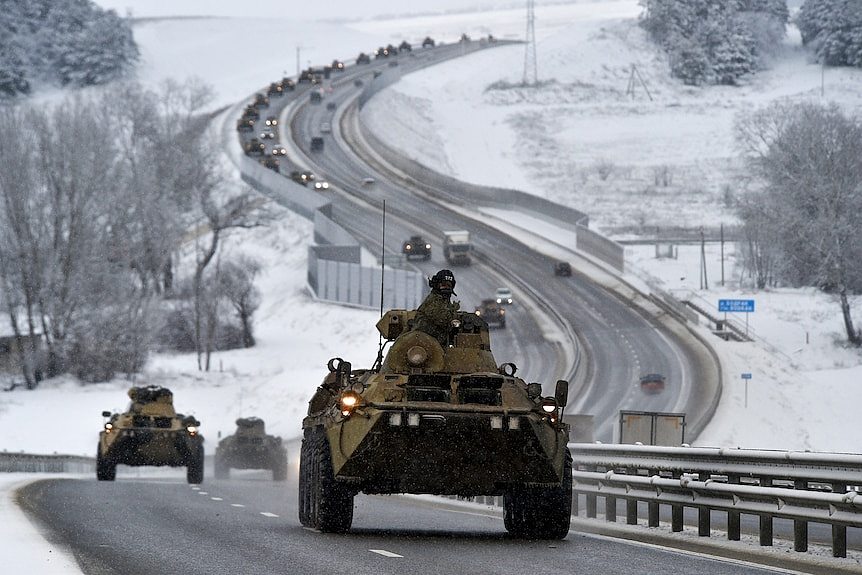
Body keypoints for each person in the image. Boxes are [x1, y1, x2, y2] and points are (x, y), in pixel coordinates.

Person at [412, 269, 460, 347]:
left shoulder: (444, 301)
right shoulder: (434, 300)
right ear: (437, 285)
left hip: (434, 343)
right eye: (443, 284)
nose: (446, 288)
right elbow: (443, 319)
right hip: (424, 342)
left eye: (449, 285)